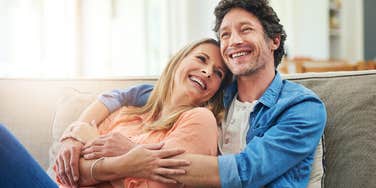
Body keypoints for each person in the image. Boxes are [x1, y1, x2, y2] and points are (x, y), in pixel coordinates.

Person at [57, 0, 327, 187]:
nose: (233, 41)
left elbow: (245, 173)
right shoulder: (215, 95)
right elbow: (131, 95)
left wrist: (137, 155)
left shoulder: (302, 108)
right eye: (225, 35)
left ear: (274, 40)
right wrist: (75, 133)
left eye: (245, 30)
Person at [0, 38, 232, 188]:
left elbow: (161, 185)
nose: (207, 71)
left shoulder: (199, 120)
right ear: (177, 62)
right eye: (201, 59)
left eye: (219, 73)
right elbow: (68, 174)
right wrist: (130, 164)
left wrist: (102, 158)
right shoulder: (125, 113)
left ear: (215, 91)